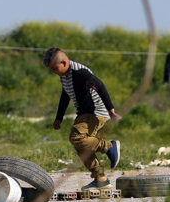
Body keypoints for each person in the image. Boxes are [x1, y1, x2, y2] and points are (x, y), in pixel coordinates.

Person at [43, 47, 121, 190]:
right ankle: (100, 179)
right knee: (80, 145)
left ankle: (109, 147)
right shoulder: (65, 75)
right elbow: (65, 95)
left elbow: (100, 85)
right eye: (51, 70)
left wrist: (111, 111)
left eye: (55, 68)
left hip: (95, 112)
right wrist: (59, 117)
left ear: (64, 63)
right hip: (84, 112)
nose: (54, 72)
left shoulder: (80, 73)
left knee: (77, 137)